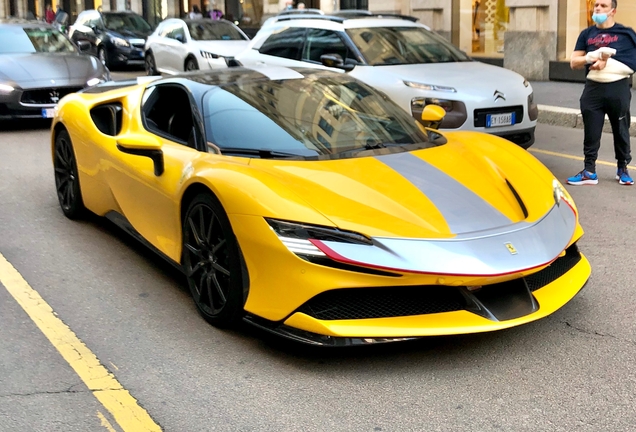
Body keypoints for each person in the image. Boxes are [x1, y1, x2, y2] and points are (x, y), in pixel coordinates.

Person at [567, 0, 636, 186]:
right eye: (596, 5)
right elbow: (574, 62)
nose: (597, 8)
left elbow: (631, 63)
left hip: (617, 88)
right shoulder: (587, 34)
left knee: (621, 129)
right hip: (593, 89)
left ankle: (623, 169)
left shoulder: (626, 34)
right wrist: (593, 56)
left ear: (613, 10)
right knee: (591, 131)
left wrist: (607, 62)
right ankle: (589, 171)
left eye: (603, 5)